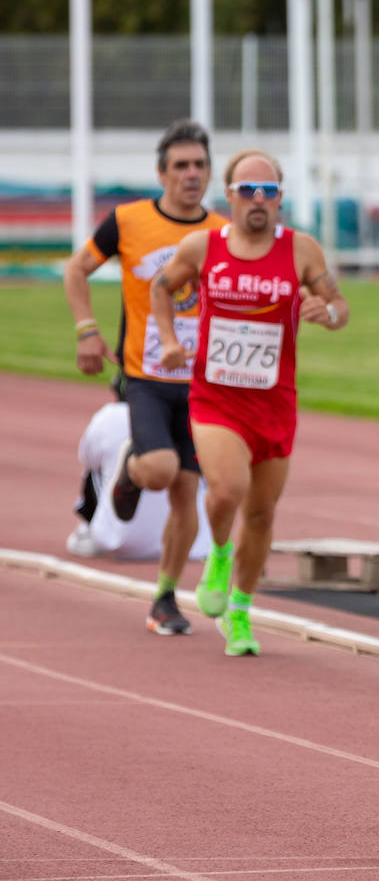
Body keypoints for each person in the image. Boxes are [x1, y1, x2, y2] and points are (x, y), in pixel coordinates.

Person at [151, 148, 350, 657]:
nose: (257, 201)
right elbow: (162, 285)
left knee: (261, 515)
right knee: (226, 489)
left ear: (280, 198)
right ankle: (218, 552)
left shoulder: (301, 250)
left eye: (268, 192)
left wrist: (326, 311)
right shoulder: (203, 246)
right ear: (230, 196)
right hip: (216, 397)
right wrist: (170, 340)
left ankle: (239, 612)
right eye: (247, 191)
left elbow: (340, 304)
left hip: (275, 402)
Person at [62, 119, 226, 635]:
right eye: (181, 165)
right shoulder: (128, 221)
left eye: (199, 164)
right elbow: (76, 269)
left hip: (202, 385)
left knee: (186, 490)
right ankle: (131, 472)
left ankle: (165, 599)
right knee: (158, 469)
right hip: (147, 377)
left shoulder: (222, 232)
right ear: (162, 173)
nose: (191, 174)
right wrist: (87, 331)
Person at [68, 376, 212, 565]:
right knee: (201, 475)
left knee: (96, 467)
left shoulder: (111, 416)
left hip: (115, 541)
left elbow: (87, 458)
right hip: (197, 547)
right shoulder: (201, 419)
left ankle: (88, 527)